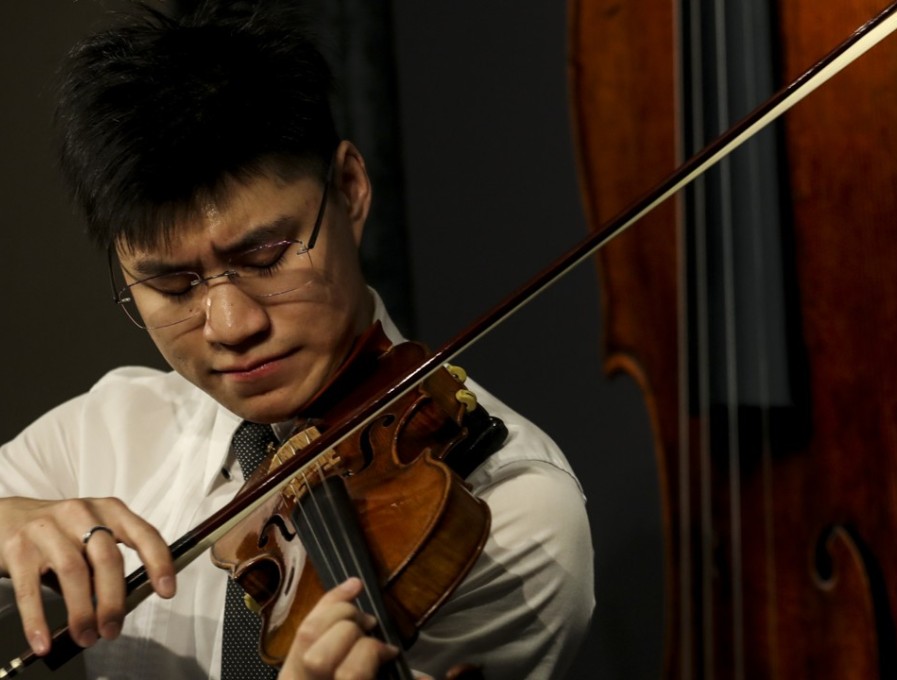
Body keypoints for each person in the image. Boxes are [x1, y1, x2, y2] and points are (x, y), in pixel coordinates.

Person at [0, 3, 594, 679]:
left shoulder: (508, 517)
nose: (231, 326)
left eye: (268, 256)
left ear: (350, 189)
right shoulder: (110, 429)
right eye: (172, 286)